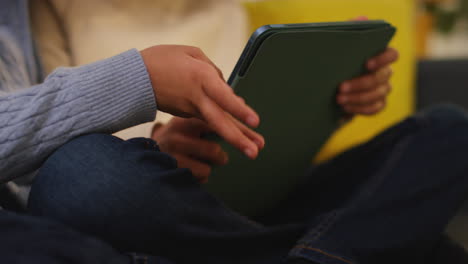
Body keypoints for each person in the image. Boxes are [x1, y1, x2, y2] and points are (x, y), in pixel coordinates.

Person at [3, 0, 468, 263]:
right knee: (81, 175)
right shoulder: (54, 10)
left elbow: (263, 136)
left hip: (227, 201)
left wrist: (330, 96)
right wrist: (140, 86)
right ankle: (350, 247)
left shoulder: (230, 9)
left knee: (447, 131)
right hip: (143, 195)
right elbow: (45, 158)